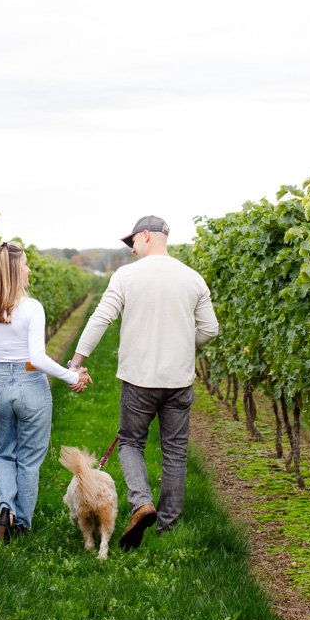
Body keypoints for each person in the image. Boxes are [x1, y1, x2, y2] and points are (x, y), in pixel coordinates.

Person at [69, 215, 218, 549]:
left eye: (133, 242)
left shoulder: (126, 276)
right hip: (179, 379)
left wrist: (77, 361)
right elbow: (210, 329)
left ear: (147, 236)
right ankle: (167, 527)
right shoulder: (193, 279)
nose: (132, 249)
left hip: (139, 379)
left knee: (131, 442)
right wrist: (181, 343)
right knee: (175, 451)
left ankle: (142, 502)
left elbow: (102, 317)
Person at [0, 240, 93, 543]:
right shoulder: (31, 308)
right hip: (30, 385)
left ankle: (5, 509)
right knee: (28, 458)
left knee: (2, 454)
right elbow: (37, 358)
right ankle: (22, 524)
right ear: (14, 270)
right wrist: (71, 375)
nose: (28, 269)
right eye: (24, 264)